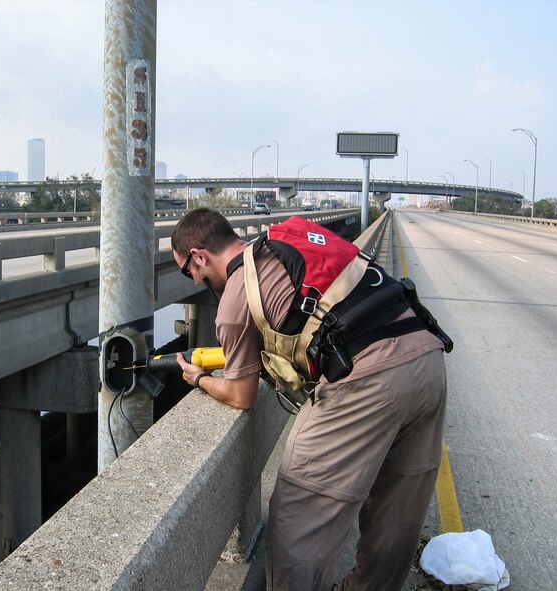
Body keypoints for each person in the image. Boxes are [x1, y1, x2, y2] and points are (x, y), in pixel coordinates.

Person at [171, 208, 447, 591]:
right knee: (395, 511)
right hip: (427, 357)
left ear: (199, 256)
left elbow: (240, 395)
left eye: (189, 271)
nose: (196, 280)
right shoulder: (286, 240)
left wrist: (199, 378)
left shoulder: (236, 298)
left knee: (299, 518)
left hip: (369, 382)